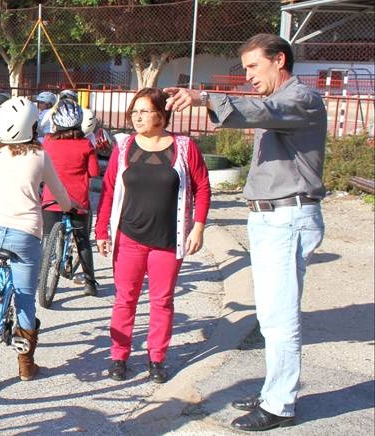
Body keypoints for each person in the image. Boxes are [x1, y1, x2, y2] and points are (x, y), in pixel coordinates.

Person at [165, 33, 326, 432]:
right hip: (272, 220)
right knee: (271, 316)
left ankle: (279, 405)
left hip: (286, 220)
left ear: (280, 60)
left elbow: (262, 109)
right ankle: (276, 389)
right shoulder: (280, 103)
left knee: (279, 318)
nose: (249, 75)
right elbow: (260, 108)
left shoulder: (300, 99)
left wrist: (204, 98)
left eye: (254, 66)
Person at [94, 87, 211, 385]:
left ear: (162, 114)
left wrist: (198, 227)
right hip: (129, 236)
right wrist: (102, 230)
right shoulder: (124, 147)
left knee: (162, 300)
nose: (137, 116)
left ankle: (157, 358)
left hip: (168, 239)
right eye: (134, 111)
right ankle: (119, 356)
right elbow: (108, 191)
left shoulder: (184, 147)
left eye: (144, 111)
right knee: (125, 300)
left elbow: (202, 187)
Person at [0, 96, 77, 382]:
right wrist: (69, 207)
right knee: (26, 299)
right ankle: (26, 364)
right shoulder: (39, 156)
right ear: (31, 126)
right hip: (25, 234)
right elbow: (58, 193)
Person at [40, 98, 100, 296]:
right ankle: (90, 283)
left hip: (51, 200)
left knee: (47, 238)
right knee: (82, 240)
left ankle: (41, 275)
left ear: (55, 121)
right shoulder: (86, 145)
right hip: (78, 202)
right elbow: (93, 172)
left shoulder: (48, 142)